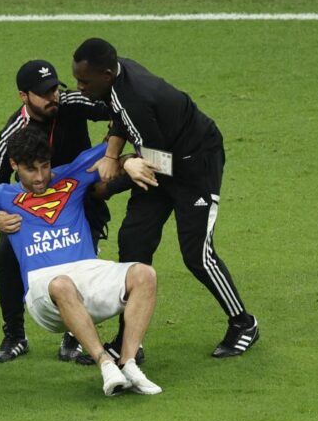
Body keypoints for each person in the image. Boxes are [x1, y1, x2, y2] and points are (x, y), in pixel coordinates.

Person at [0, 128, 162, 396]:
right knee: (62, 284)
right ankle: (105, 363)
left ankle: (129, 363)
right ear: (14, 165)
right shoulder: (2, 195)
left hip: (88, 273)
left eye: (45, 166)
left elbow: (119, 144)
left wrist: (127, 161)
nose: (41, 177)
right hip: (44, 288)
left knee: (144, 274)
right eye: (31, 169)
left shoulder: (75, 173)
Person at [72, 38, 259, 358]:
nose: (80, 87)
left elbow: (153, 165)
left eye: (84, 82)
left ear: (106, 74)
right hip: (162, 160)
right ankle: (129, 341)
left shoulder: (136, 98)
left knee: (196, 254)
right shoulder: (118, 75)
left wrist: (112, 179)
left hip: (194, 167)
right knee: (133, 244)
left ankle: (244, 323)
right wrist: (113, 153)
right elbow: (121, 118)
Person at [0, 59, 139, 365]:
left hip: (79, 192)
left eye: (55, 88)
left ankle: (75, 335)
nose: (53, 96)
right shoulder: (11, 136)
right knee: (6, 256)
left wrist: (113, 147)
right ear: (23, 96)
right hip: (33, 204)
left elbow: (121, 112)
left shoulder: (71, 102)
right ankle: (15, 335)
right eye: (44, 92)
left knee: (83, 256)